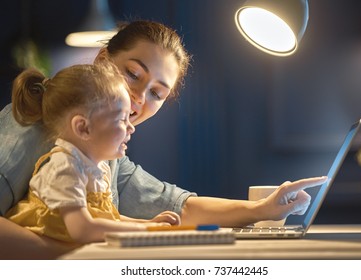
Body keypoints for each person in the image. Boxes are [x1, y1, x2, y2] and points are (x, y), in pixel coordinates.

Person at [0, 20, 327, 259]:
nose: (139, 96)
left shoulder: (105, 160)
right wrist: (72, 255)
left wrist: (263, 209)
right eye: (133, 73)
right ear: (102, 61)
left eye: (157, 93)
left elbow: (179, 206)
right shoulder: (32, 124)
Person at [5, 62, 180, 245]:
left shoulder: (98, 168)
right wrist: (144, 230)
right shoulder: (64, 168)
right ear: (83, 127)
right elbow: (83, 229)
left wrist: (149, 223)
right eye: (122, 119)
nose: (131, 128)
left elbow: (107, 219)